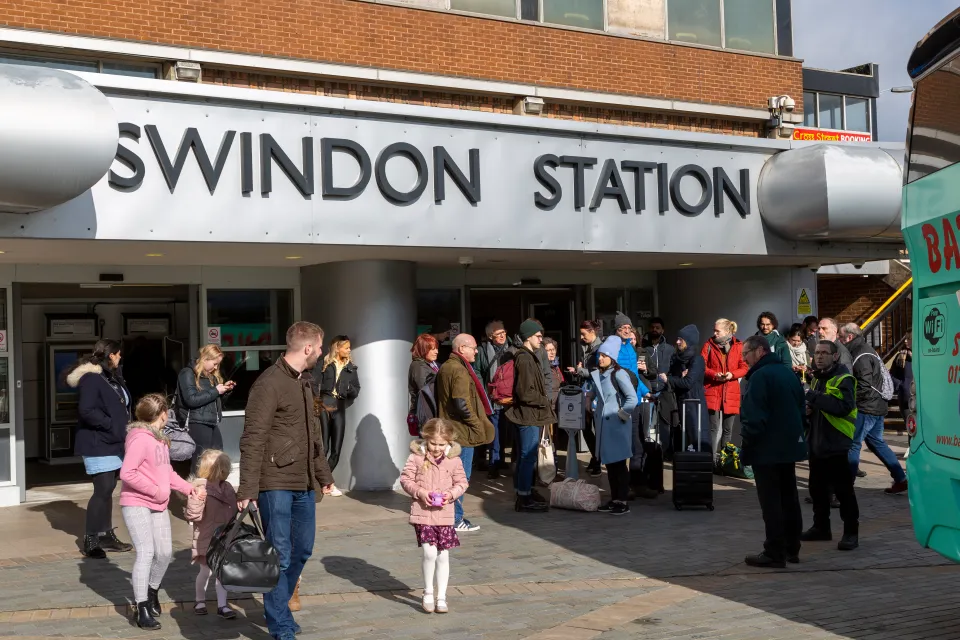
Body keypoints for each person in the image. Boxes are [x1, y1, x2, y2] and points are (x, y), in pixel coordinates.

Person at [237, 321, 334, 640]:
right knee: (279, 553)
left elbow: (313, 434)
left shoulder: (304, 381)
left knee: (302, 549)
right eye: (319, 348)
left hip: (304, 482)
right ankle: (280, 624)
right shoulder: (269, 383)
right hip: (274, 482)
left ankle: (278, 607)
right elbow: (253, 437)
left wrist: (324, 477)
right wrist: (248, 487)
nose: (321, 353)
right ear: (307, 348)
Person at [120, 394, 201, 630]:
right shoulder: (139, 439)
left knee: (164, 553)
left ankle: (152, 590)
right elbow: (127, 473)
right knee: (146, 552)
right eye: (168, 412)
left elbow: (168, 473)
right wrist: (155, 491)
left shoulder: (160, 440)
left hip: (158, 504)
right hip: (137, 502)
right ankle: (141, 606)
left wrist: (189, 489)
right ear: (162, 414)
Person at [739, 336, 806, 568]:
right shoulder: (788, 373)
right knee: (789, 497)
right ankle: (791, 548)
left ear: (759, 351)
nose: (744, 359)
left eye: (745, 354)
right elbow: (801, 407)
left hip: (766, 448)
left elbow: (753, 417)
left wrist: (747, 445)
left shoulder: (760, 377)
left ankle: (775, 551)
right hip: (787, 447)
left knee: (771, 501)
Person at [67, 338, 134, 559]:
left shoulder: (110, 377)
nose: (121, 357)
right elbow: (86, 410)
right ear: (111, 354)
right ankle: (91, 539)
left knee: (108, 490)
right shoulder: (91, 379)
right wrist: (110, 425)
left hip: (114, 441)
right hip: (99, 442)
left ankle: (105, 535)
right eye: (119, 354)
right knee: (102, 490)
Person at [399, 418, 469, 615]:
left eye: (441, 444)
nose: (437, 448)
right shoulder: (416, 457)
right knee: (430, 553)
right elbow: (405, 479)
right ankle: (428, 592)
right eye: (433, 443)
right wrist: (420, 493)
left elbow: (462, 482)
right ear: (426, 438)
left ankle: (442, 597)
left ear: (448, 442)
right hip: (423, 512)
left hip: (445, 513)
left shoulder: (454, 460)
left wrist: (451, 495)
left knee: (443, 555)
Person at [802, 341, 860, 551]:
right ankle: (821, 527)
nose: (819, 356)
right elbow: (818, 406)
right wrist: (808, 410)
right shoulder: (817, 379)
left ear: (835, 356)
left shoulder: (844, 378)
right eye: (817, 353)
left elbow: (842, 407)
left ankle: (851, 533)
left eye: (824, 353)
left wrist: (812, 397)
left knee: (844, 491)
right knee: (817, 490)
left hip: (837, 443)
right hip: (818, 442)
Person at [838, 323, 907, 494]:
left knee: (853, 444)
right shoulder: (864, 349)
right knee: (876, 442)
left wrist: (851, 401)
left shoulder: (860, 354)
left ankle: (845, 488)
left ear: (849, 337)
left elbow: (864, 384)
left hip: (867, 406)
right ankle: (901, 478)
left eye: (840, 336)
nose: (839, 339)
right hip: (877, 404)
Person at [436, 333, 495, 532]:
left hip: (451, 430)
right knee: (461, 478)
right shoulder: (459, 370)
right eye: (473, 347)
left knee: (452, 477)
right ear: (462, 349)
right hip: (461, 432)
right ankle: (455, 519)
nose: (476, 351)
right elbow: (461, 403)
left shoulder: (447, 367)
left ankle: (449, 517)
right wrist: (476, 425)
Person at [587, 336, 642, 515]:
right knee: (610, 465)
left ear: (612, 357)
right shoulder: (600, 374)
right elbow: (596, 391)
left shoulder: (618, 374)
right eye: (599, 355)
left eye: (604, 355)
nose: (600, 358)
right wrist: (588, 397)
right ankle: (614, 499)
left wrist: (622, 414)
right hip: (604, 426)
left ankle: (622, 501)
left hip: (616, 425)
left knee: (618, 464)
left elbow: (632, 398)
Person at [506, 320, 555, 512]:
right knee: (527, 456)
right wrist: (544, 401)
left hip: (530, 414)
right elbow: (525, 392)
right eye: (538, 336)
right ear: (528, 337)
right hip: (528, 415)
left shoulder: (528, 355)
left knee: (525, 456)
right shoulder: (525, 358)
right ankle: (524, 498)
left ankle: (523, 492)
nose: (541, 340)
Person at [184, 449, 238, 619]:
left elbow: (233, 509)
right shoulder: (200, 487)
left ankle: (222, 605)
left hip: (223, 537)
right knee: (205, 571)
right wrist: (197, 499)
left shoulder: (227, 487)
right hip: (206, 537)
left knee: (222, 572)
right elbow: (192, 515)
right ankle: (200, 600)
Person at [177, 345, 235, 474]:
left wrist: (224, 391)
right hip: (196, 422)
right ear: (205, 359)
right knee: (200, 461)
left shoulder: (211, 377)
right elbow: (191, 399)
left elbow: (213, 401)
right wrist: (216, 391)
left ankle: (213, 488)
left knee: (217, 458)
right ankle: (198, 489)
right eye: (214, 364)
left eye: (218, 365)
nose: (216, 368)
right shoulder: (188, 373)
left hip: (211, 421)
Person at [317, 334, 361, 497]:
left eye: (349, 348)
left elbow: (357, 389)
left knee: (336, 448)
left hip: (339, 405)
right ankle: (325, 482)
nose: (349, 350)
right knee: (324, 447)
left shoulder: (351, 367)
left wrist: (350, 390)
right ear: (338, 348)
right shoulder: (324, 364)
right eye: (346, 347)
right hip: (324, 404)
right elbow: (314, 384)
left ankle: (323, 481)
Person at [702, 319, 748, 461]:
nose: (714, 333)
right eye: (714, 330)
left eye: (717, 331)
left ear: (728, 332)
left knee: (728, 430)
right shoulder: (708, 345)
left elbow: (744, 367)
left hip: (731, 392)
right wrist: (714, 375)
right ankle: (712, 461)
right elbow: (702, 366)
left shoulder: (739, 346)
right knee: (713, 429)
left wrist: (731, 375)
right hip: (713, 391)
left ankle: (724, 461)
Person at [660, 325, 710, 452]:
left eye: (681, 339)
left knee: (697, 437)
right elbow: (677, 378)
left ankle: (699, 467)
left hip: (694, 404)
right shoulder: (676, 359)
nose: (677, 342)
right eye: (677, 339)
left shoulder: (697, 360)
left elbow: (688, 382)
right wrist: (677, 379)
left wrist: (669, 380)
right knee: (684, 439)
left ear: (689, 341)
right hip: (680, 403)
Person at [474, 320, 514, 479]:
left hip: (510, 398)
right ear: (491, 336)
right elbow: (477, 372)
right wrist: (485, 392)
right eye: (499, 334)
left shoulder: (512, 349)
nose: (503, 335)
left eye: (504, 332)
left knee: (506, 431)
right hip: (493, 398)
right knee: (495, 431)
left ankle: (501, 459)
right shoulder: (483, 351)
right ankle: (494, 463)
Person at [567, 320, 603, 476]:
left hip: (596, 392)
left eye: (584, 334)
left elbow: (596, 373)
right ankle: (596, 457)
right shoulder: (587, 347)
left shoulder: (600, 349)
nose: (581, 337)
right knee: (586, 427)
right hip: (587, 390)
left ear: (593, 332)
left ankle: (598, 459)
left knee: (595, 427)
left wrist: (579, 370)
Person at [640, 318, 676, 458]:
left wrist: (669, 381)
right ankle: (648, 451)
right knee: (647, 423)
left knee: (665, 423)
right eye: (652, 327)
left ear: (663, 330)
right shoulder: (643, 349)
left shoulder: (670, 349)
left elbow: (674, 368)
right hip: (647, 391)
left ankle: (665, 452)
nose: (655, 330)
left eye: (658, 327)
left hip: (664, 390)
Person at [408, 333, 441, 430]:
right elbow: (426, 390)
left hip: (431, 412)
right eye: (432, 349)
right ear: (423, 349)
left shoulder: (432, 364)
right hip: (427, 414)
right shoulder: (418, 366)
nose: (437, 352)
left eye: (436, 348)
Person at [890, 331, 913, 430]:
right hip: (906, 398)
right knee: (911, 428)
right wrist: (901, 385)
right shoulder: (901, 356)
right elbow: (892, 374)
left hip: (922, 399)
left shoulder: (924, 356)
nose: (905, 340)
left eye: (909, 338)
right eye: (905, 338)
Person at [613, 312, 639, 382]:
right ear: (617, 328)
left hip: (634, 389)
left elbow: (636, 374)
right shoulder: (609, 347)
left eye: (629, 328)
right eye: (624, 327)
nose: (627, 331)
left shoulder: (631, 347)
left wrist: (645, 391)